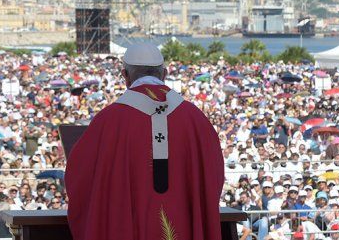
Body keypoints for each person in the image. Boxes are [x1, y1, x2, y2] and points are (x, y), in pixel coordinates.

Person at [65, 43, 225, 240]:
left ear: (125, 75)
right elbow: (213, 176)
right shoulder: (196, 119)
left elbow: (79, 178)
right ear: (164, 74)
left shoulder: (108, 121)